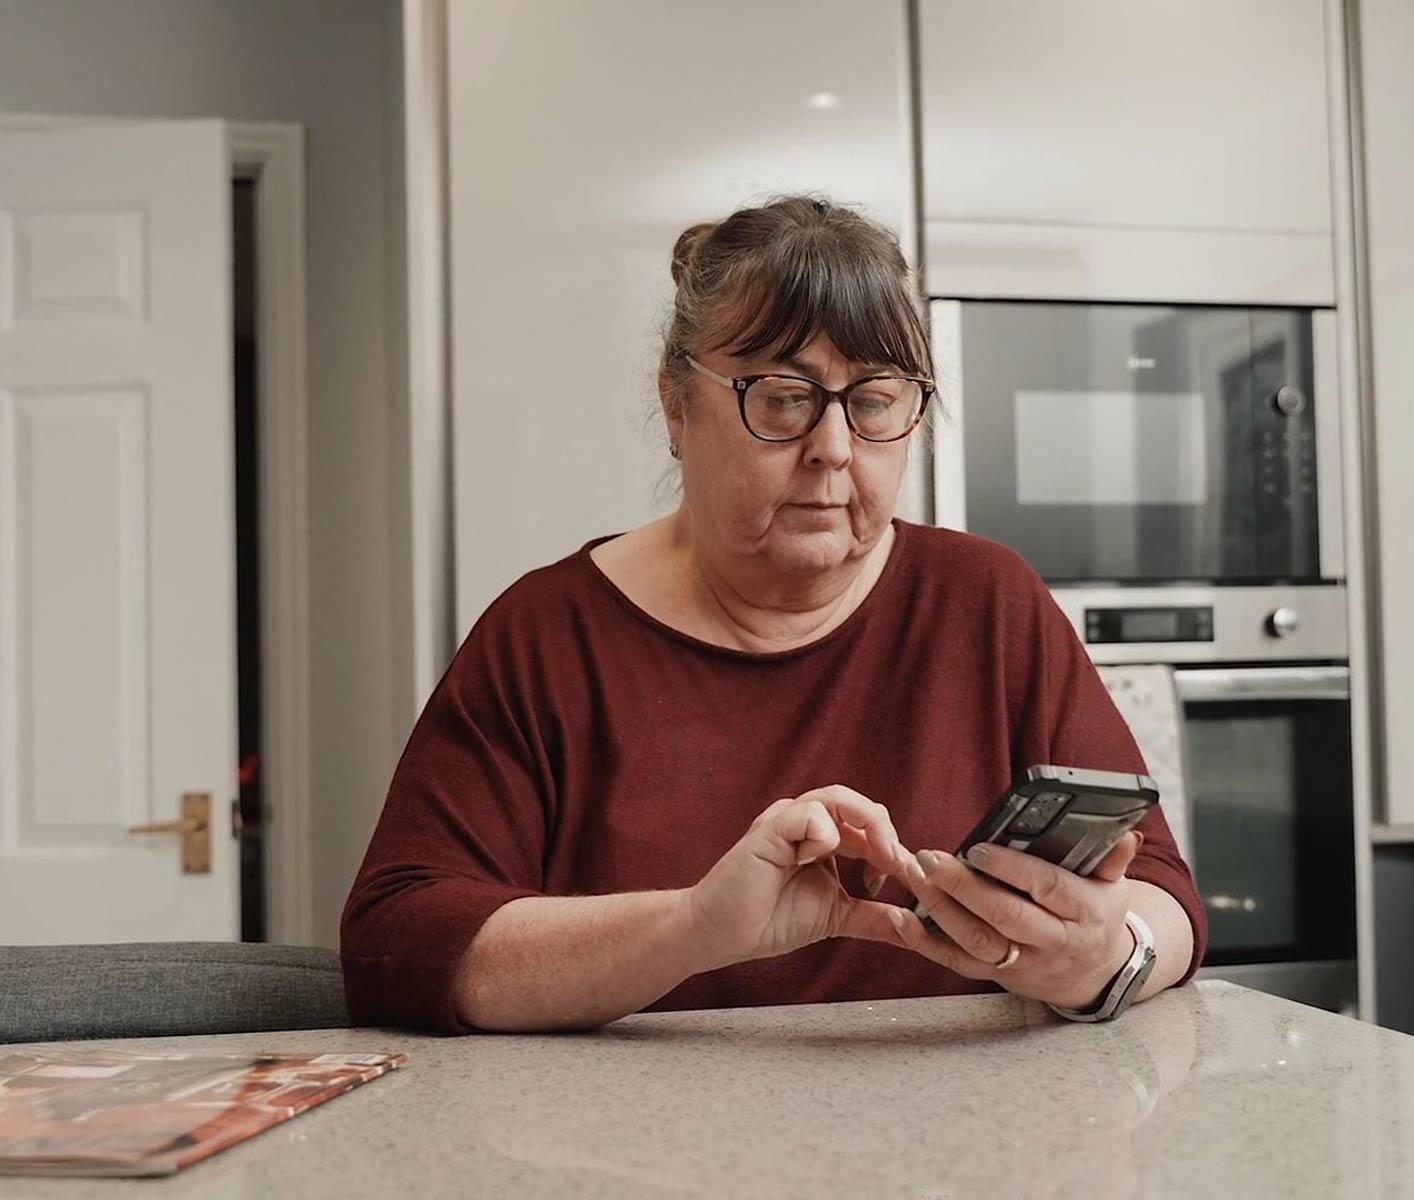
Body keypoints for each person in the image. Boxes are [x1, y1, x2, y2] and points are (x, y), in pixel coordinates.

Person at [341, 195, 1207, 1033]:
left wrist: (1107, 958)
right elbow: (399, 943)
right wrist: (694, 927)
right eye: (784, 396)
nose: (833, 448)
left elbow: (1164, 892)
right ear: (678, 406)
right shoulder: (547, 635)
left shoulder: (988, 603)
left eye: (873, 400)